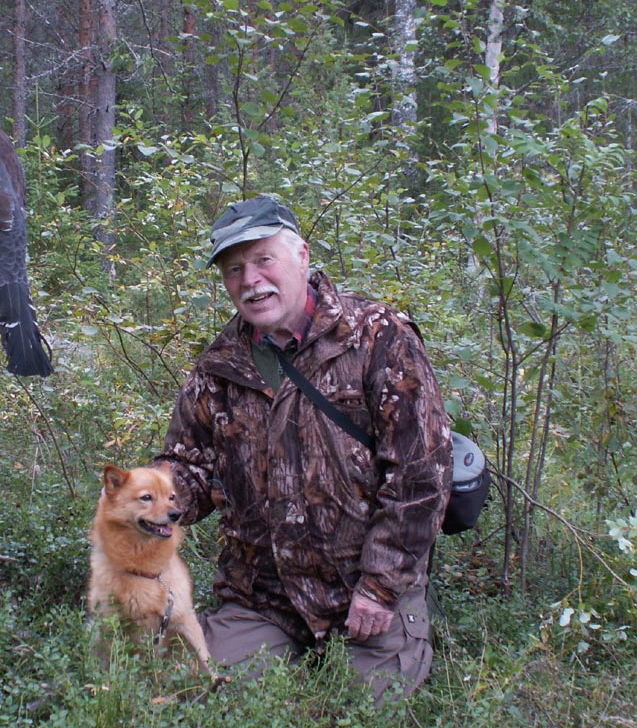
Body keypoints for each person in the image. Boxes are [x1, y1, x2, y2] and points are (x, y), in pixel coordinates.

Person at [154, 196, 452, 701]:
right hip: (262, 596)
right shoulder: (219, 368)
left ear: (303, 257)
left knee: (359, 706)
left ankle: (403, 623)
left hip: (362, 588)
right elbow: (189, 466)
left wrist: (380, 588)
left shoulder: (377, 338)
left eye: (263, 259)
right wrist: (146, 500)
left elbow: (421, 477)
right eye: (234, 269)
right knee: (193, 692)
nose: (250, 280)